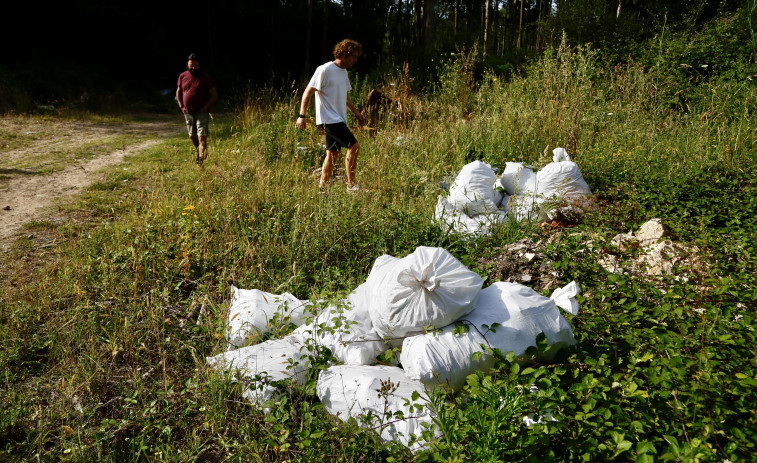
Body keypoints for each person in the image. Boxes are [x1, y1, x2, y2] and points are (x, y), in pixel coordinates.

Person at [295, 39, 366, 191]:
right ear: (345, 54)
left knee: (332, 154)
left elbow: (344, 96)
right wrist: (302, 116)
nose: (355, 60)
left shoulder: (343, 72)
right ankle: (352, 186)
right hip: (329, 119)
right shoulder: (325, 69)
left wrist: (355, 112)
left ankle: (322, 188)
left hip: (338, 119)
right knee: (354, 147)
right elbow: (308, 91)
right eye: (354, 56)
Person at [176, 53, 218, 165]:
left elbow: (214, 95)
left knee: (201, 137)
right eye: (191, 65)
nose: (194, 67)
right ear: (187, 65)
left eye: (196, 65)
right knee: (192, 136)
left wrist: (205, 107)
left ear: (200, 65)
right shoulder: (183, 76)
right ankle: (201, 152)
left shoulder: (206, 78)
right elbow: (179, 91)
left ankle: (200, 161)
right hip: (188, 112)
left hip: (202, 112)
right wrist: (181, 105)